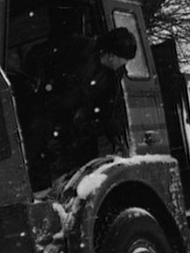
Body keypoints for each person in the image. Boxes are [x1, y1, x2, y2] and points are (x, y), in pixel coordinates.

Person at [24, 26, 137, 188]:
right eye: (124, 59)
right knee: (37, 143)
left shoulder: (111, 77)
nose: (124, 64)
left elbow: (110, 109)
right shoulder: (77, 47)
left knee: (83, 155)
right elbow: (38, 54)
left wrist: (115, 137)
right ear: (112, 55)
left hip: (71, 121)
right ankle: (37, 188)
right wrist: (38, 82)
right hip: (45, 108)